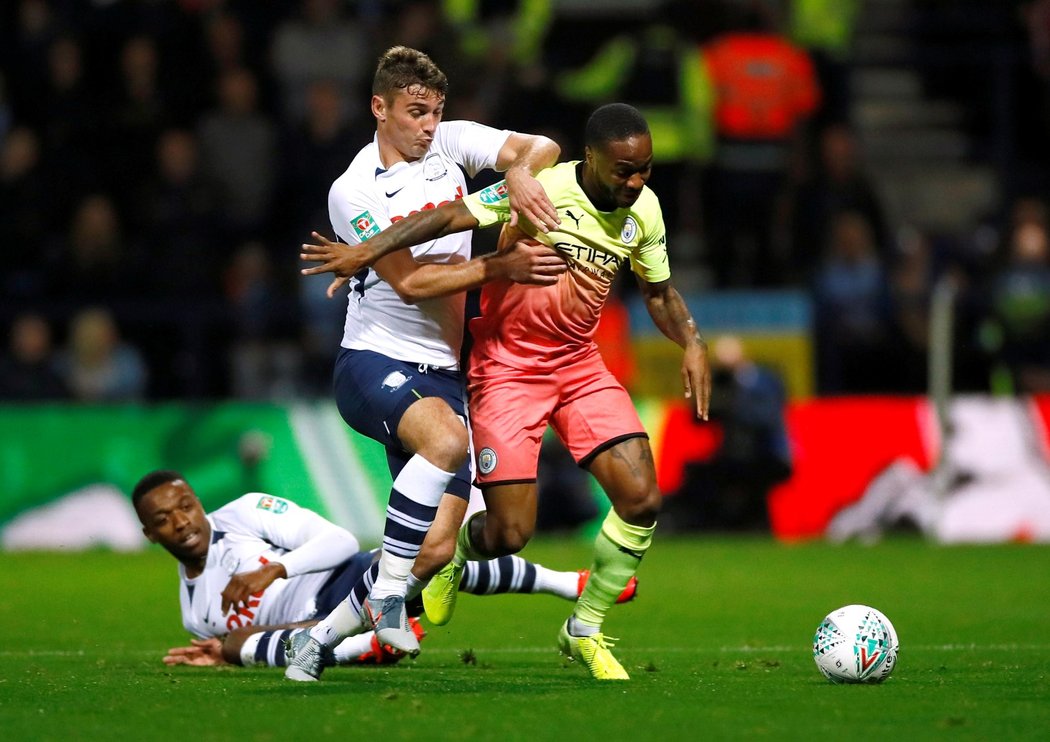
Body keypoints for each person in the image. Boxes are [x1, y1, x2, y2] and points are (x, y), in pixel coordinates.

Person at [299, 102, 711, 680]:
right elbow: (448, 218)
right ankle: (458, 556)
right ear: (589, 158)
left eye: (645, 168)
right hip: (505, 369)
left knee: (642, 497)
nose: (636, 181)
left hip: (578, 365)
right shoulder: (540, 190)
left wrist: (692, 341)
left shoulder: (645, 210)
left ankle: (584, 629)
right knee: (511, 533)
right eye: (625, 170)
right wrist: (368, 251)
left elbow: (659, 292)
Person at [286, 45, 565, 671]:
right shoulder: (353, 190)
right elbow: (409, 282)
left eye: (436, 112)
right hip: (372, 361)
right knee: (445, 441)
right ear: (379, 108)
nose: (429, 126)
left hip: (443, 370)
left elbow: (542, 146)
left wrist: (518, 172)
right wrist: (501, 265)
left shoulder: (452, 144)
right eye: (416, 112)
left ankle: (314, 642)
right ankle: (387, 601)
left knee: (435, 549)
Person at [132, 470, 635, 671]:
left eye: (186, 505)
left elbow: (341, 541)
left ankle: (569, 584)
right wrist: (225, 654)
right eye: (164, 520)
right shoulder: (193, 613)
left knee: (433, 557)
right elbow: (257, 639)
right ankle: (358, 646)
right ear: (150, 535)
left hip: (348, 579)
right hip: (312, 628)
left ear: (197, 502)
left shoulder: (243, 514)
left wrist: (276, 570)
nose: (183, 522)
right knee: (234, 644)